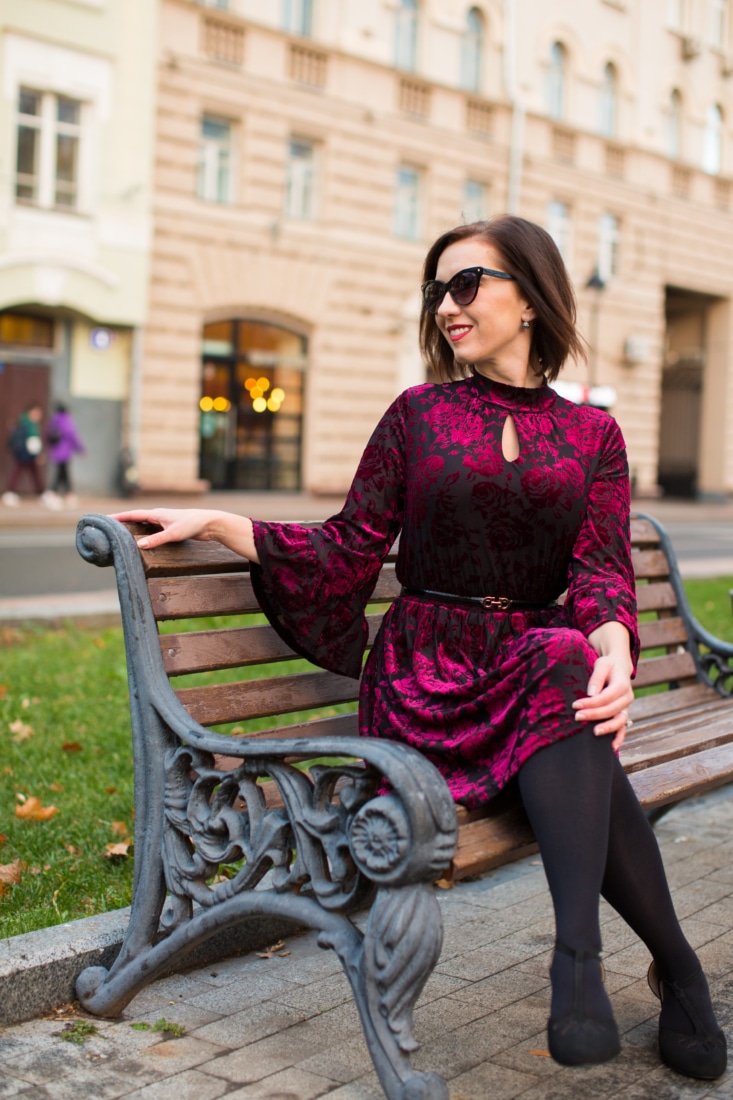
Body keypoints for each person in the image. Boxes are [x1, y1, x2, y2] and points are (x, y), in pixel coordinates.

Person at [111, 216, 726, 1078]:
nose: (446, 306)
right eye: (436, 289)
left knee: (567, 662)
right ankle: (675, 972)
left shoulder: (594, 437)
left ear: (531, 296)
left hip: (534, 672)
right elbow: (349, 546)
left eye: (466, 284)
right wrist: (221, 522)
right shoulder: (418, 415)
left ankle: (577, 959)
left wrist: (616, 643)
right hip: (427, 676)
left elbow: (598, 570)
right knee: (570, 695)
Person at [2, 403, 46, 506]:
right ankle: (10, 492)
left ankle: (41, 493)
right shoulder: (28, 424)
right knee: (20, 472)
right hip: (25, 453)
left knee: (32, 473)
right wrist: (38, 454)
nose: (39, 416)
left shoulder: (24, 422)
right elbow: (33, 441)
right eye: (37, 413)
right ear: (32, 412)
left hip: (25, 453)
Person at [44, 402, 86, 506]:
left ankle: (63, 494)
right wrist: (81, 450)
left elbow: (47, 436)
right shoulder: (67, 422)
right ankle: (62, 494)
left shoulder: (53, 421)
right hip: (65, 453)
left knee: (62, 473)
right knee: (62, 474)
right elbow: (74, 437)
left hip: (55, 452)